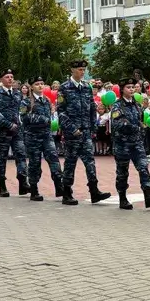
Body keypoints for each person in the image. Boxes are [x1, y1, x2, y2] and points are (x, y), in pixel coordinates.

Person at [58, 60, 111, 205]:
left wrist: (92, 127)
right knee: (70, 162)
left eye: (83, 69)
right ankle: (67, 193)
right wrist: (71, 129)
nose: (82, 72)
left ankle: (94, 191)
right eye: (80, 69)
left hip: (86, 130)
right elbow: (61, 112)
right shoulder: (64, 88)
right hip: (72, 133)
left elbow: (92, 108)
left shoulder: (87, 87)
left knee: (90, 161)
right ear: (72, 70)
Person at [109, 77, 150, 210]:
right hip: (122, 144)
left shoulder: (137, 105)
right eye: (128, 87)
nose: (132, 89)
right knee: (122, 172)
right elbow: (119, 123)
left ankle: (148, 196)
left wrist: (142, 128)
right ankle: (123, 199)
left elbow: (140, 120)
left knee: (143, 167)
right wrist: (137, 127)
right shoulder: (117, 105)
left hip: (137, 143)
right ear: (122, 90)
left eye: (133, 87)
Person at [21, 77, 64, 202]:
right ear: (32, 87)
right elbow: (24, 117)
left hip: (46, 136)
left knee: (54, 159)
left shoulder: (46, 100)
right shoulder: (26, 102)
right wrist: (42, 120)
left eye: (42, 84)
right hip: (33, 137)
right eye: (37, 84)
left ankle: (59, 186)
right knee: (34, 164)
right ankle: (34, 190)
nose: (40, 86)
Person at [0, 69, 30, 197]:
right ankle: (2, 186)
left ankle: (23, 182)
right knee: (1, 159)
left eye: (12, 76)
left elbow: (22, 109)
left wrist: (22, 119)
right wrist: (8, 124)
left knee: (21, 155)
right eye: (7, 77)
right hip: (2, 131)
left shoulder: (17, 93)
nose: (10, 79)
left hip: (17, 131)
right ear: (1, 79)